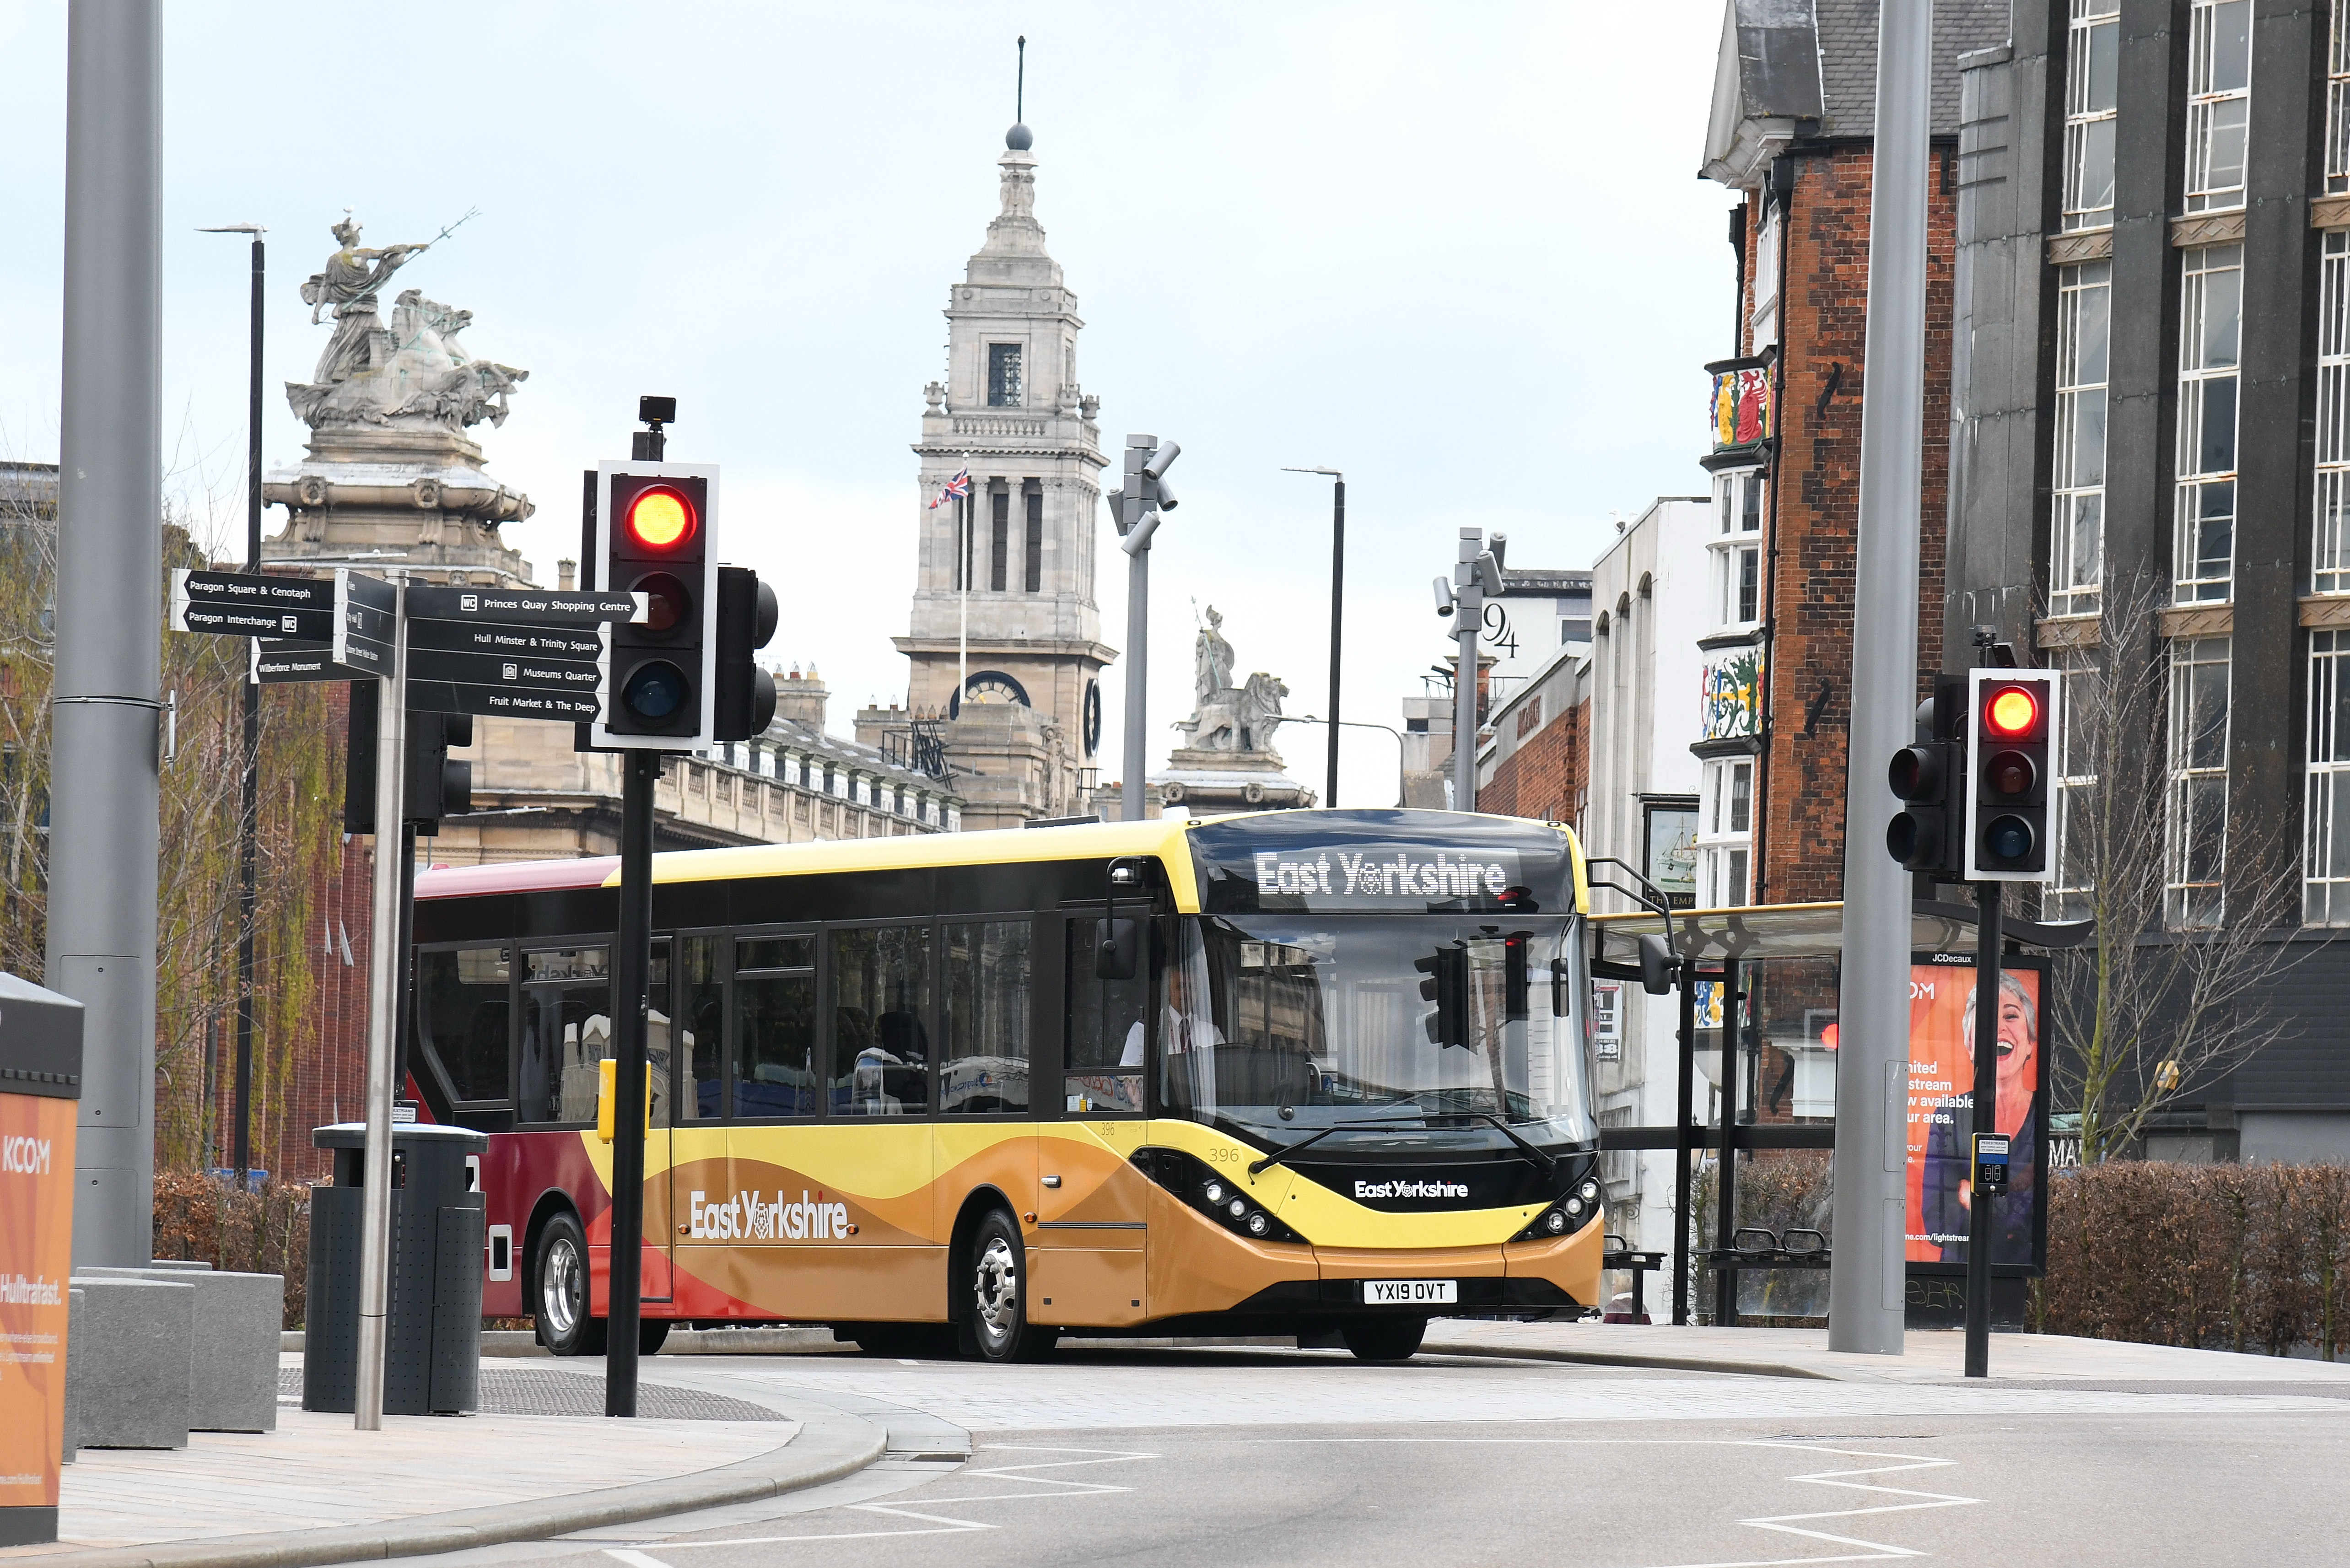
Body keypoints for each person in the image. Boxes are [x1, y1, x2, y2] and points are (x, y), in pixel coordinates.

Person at [1920, 970, 2039, 1265]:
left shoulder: (2043, 1116)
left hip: (2019, 1281)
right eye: (1985, 1020)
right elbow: (1937, 1220)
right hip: (1956, 1279)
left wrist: (1971, 1196)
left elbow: (2034, 1221)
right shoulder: (1949, 1114)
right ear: (1970, 1047)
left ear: (2031, 1042)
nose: (1998, 1028)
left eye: (2011, 1016)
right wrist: (2011, 1195)